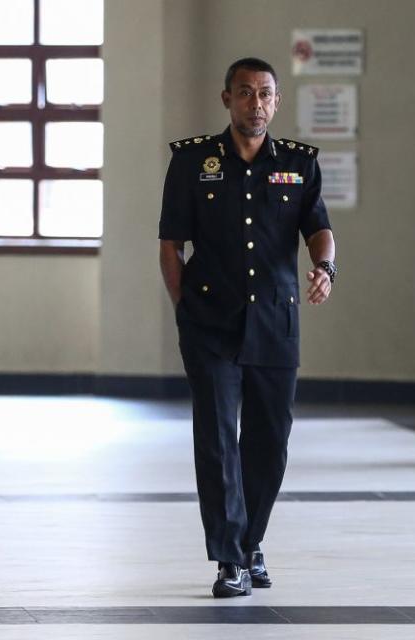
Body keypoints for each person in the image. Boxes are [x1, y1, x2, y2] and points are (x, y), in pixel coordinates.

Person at [158, 57, 336, 597]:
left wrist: (326, 268)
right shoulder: (193, 162)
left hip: (274, 323)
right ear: (226, 99)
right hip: (210, 323)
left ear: (276, 102)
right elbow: (171, 245)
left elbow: (320, 228)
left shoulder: (300, 165)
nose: (254, 104)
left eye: (264, 94)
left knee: (270, 441)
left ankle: (251, 540)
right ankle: (229, 559)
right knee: (216, 441)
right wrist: (183, 307)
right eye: (244, 93)